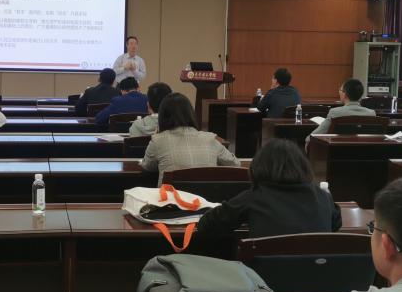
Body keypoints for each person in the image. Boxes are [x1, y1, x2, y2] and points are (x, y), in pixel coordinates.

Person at [196, 139, 341, 238]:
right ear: (303, 166)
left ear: (259, 167)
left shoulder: (253, 198)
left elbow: (206, 225)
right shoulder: (323, 196)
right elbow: (336, 224)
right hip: (318, 273)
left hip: (263, 275)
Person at [140, 93, 240, 183]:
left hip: (171, 197)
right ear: (191, 113)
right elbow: (235, 164)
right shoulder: (209, 139)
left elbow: (147, 166)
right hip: (205, 197)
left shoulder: (158, 141)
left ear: (162, 117)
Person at [308, 79, 376, 138]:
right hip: (365, 149)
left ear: (344, 94)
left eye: (340, 90)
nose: (339, 92)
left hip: (337, 149)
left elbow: (314, 136)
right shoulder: (371, 114)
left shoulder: (335, 113)